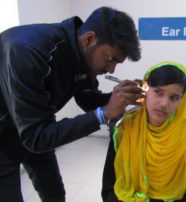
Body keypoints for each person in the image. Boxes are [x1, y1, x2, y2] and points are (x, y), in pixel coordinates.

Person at [0, 7, 144, 202]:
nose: (111, 68)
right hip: (6, 134)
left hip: (38, 124)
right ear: (89, 39)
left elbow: (87, 99)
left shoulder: (84, 56)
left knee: (55, 194)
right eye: (110, 59)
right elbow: (34, 137)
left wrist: (121, 97)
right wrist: (104, 113)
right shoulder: (29, 51)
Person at [101, 62, 186, 202]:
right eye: (158, 92)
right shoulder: (126, 129)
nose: (164, 103)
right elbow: (110, 185)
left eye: (174, 98)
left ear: (182, 100)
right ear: (146, 90)